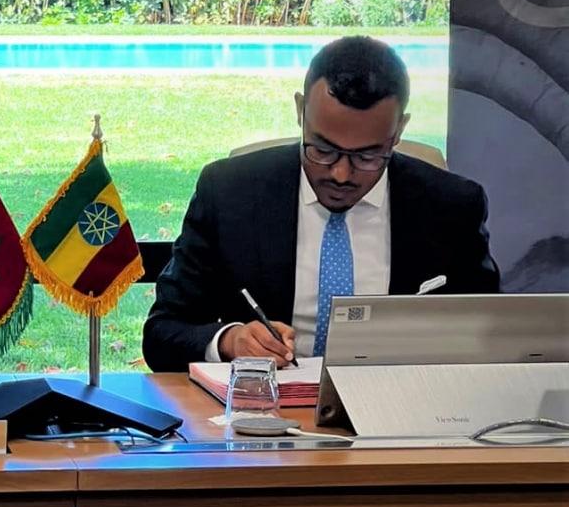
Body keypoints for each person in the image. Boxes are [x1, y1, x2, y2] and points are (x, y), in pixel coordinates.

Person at [143, 36, 499, 372]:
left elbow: (490, 335)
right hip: (264, 405)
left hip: (399, 400)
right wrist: (229, 341)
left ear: (399, 130)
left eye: (367, 156)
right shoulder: (230, 193)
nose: (341, 174)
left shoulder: (451, 207)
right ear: (301, 111)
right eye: (323, 150)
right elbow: (163, 332)